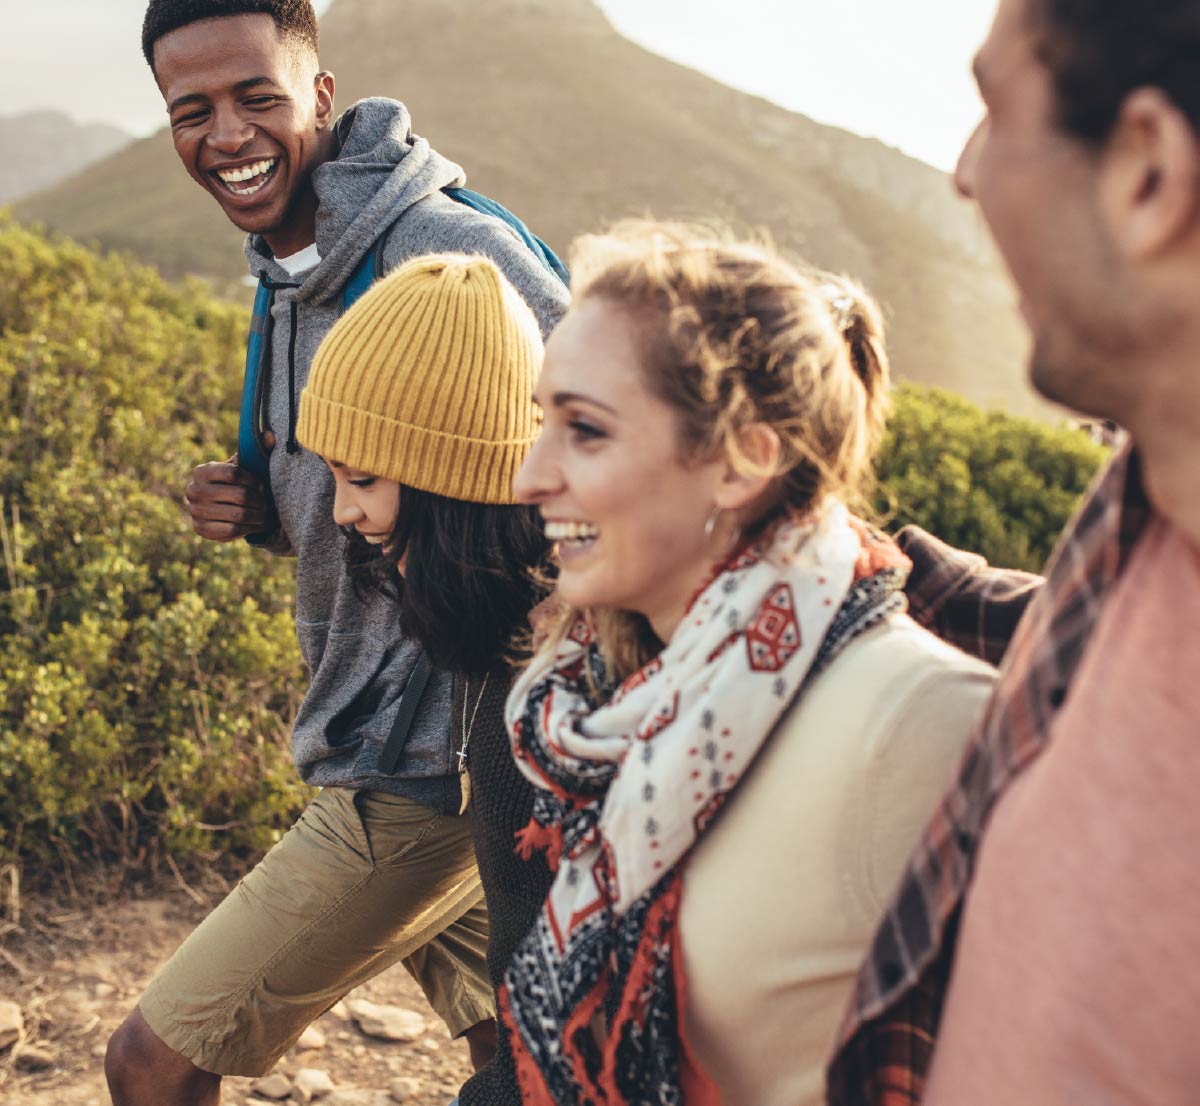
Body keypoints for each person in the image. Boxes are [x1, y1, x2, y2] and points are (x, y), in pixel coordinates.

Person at [106, 2, 569, 1103]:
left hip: (426, 765)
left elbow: (611, 434)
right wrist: (270, 507)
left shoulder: (451, 250)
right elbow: (396, 475)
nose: (226, 134)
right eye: (193, 111)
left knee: (148, 1061)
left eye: (255, 96)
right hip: (395, 747)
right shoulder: (291, 265)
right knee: (513, 1062)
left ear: (320, 95)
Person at [500, 222, 997, 1106]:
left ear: (743, 460)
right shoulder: (613, 699)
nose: (529, 476)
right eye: (544, 421)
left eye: (584, 430)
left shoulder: (916, 722)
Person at [826, 0, 1200, 1102]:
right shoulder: (1149, 496)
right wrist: (895, 565)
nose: (963, 171)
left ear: (1146, 172)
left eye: (993, 109)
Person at [293, 252, 556, 1106]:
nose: (342, 513)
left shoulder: (545, 693)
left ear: (457, 483)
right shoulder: (494, 647)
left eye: (362, 478)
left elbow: (585, 1022)